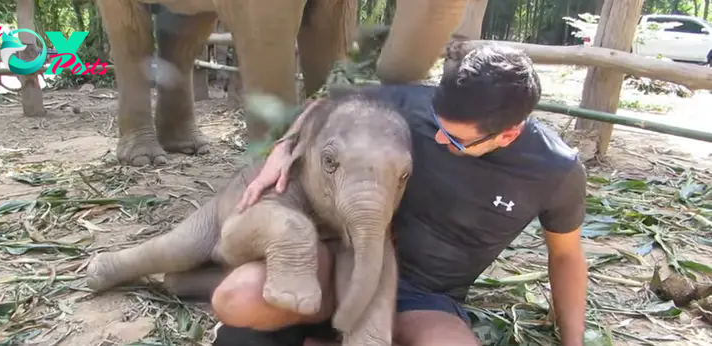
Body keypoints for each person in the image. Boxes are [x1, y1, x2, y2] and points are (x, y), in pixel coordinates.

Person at [208, 44, 588, 346]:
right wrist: (284, 146)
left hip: (424, 296)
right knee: (237, 299)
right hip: (341, 257)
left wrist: (574, 342)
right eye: (438, 125)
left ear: (509, 134)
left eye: (455, 139)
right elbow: (327, 103)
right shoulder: (408, 103)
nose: (439, 138)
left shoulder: (555, 170)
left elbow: (566, 255)